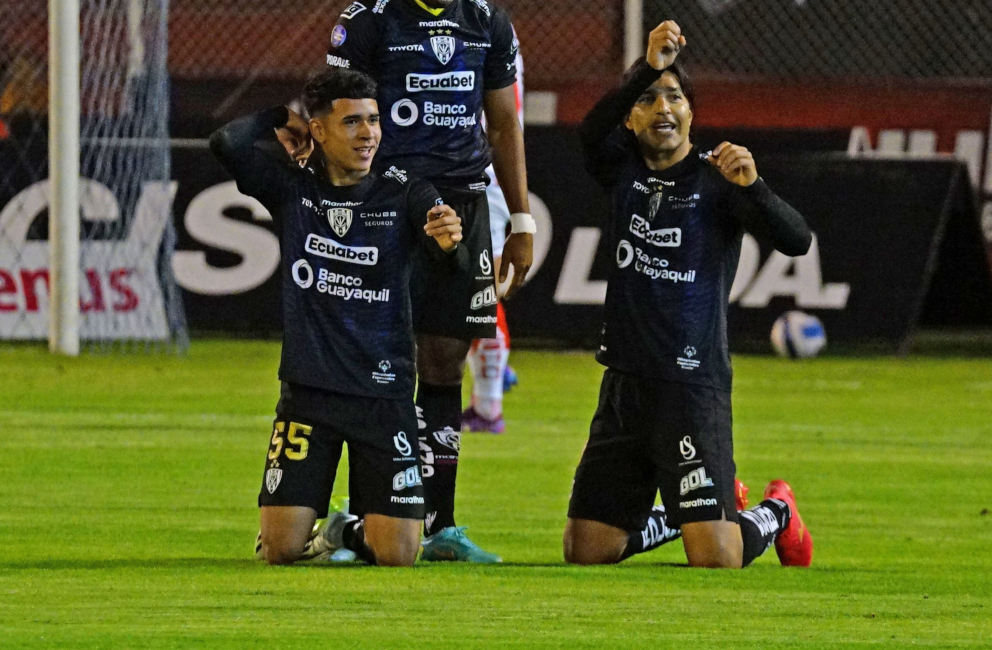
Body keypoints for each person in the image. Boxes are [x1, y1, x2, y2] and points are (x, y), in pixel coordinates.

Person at [564, 21, 814, 569]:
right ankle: (674, 518)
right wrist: (648, 66)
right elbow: (588, 132)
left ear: (692, 114)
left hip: (691, 385)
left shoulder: (719, 180)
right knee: (587, 551)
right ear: (630, 117)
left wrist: (756, 188)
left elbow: (796, 240)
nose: (663, 108)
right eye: (649, 99)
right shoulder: (621, 169)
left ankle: (777, 511)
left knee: (717, 558)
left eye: (675, 97)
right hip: (626, 383)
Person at [210, 69, 466, 567]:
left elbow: (447, 263)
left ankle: (345, 533)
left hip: (384, 394)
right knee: (280, 550)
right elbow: (226, 142)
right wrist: (282, 117)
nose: (369, 133)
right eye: (352, 122)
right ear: (319, 131)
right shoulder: (291, 189)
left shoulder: (405, 192)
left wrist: (448, 243)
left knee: (398, 555)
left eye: (373, 120)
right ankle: (328, 528)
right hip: (309, 395)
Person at [327, 0, 533, 563]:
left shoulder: (487, 20)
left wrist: (521, 220)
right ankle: (365, 515)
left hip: (464, 206)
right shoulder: (370, 18)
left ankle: (441, 523)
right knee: (379, 359)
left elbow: (504, 122)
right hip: (385, 202)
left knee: (444, 361)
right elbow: (336, 110)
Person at [462, 32, 525, 435]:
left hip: (477, 172)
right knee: (474, 286)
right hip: (483, 172)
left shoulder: (477, 27)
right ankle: (488, 396)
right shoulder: (494, 26)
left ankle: (488, 403)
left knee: (477, 286)